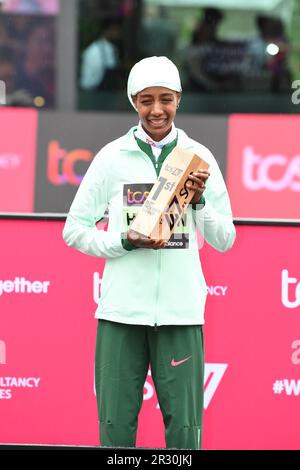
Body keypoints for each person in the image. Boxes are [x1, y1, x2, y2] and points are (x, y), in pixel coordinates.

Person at [63, 56, 236, 449]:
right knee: (115, 429)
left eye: (165, 99)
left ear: (179, 99)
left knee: (185, 434)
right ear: (132, 101)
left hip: (180, 316)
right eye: (146, 100)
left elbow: (225, 238)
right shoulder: (112, 157)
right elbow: (74, 230)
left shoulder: (200, 158)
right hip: (120, 316)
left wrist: (199, 202)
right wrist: (123, 241)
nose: (156, 110)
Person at [79, 17, 122, 91]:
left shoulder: (111, 48)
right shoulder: (94, 51)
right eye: (116, 29)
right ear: (108, 30)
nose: (119, 33)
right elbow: (88, 82)